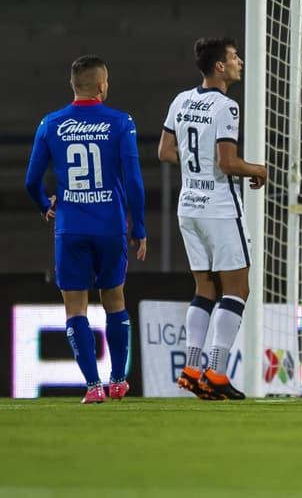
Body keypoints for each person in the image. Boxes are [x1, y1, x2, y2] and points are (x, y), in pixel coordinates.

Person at [25, 55, 147, 404]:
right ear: (102, 86)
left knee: (75, 309)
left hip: (70, 229)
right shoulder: (121, 122)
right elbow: (134, 181)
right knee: (114, 301)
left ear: (73, 85)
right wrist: (138, 226)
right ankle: (119, 380)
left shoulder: (51, 124)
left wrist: (45, 205)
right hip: (110, 227)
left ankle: (93, 386)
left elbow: (32, 181)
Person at [158, 37, 267, 401]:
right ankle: (216, 373)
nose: (239, 62)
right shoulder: (226, 108)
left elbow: (165, 151)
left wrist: (196, 170)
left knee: (205, 289)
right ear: (219, 66)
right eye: (234, 57)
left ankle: (191, 368)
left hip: (188, 205)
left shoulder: (180, 100)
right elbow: (227, 163)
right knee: (238, 289)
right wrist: (258, 169)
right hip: (220, 208)